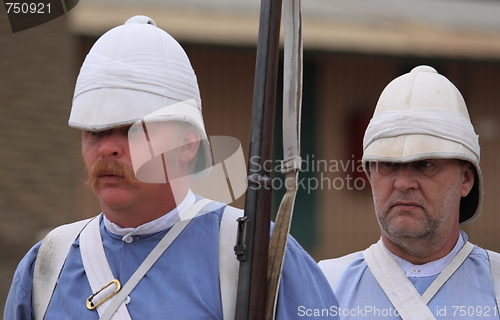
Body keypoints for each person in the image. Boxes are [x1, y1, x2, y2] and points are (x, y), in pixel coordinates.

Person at [4, 16, 338, 320]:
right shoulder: (46, 264)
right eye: (95, 131)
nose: (108, 148)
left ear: (188, 143)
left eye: (134, 129)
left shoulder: (259, 252)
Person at [319, 65, 500, 319]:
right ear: (370, 174)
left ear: (466, 179)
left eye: (425, 164)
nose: (403, 183)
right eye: (388, 164)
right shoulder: (324, 287)